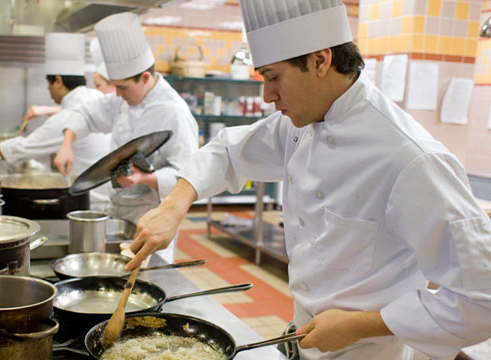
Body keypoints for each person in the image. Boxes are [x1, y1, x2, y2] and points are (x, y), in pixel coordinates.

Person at [124, 0, 491, 359]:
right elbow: (227, 151)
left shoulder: (412, 158)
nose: (268, 96)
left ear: (320, 60)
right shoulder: (300, 123)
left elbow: (482, 298)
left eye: (273, 78)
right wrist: (174, 204)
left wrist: (362, 325)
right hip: (306, 337)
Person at [54, 12, 198, 263]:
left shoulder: (174, 112)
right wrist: (67, 143)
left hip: (152, 216)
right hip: (119, 211)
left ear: (145, 78)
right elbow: (87, 113)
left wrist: (144, 178)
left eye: (122, 87)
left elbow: (188, 175)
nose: (117, 94)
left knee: (148, 282)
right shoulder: (126, 99)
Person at [0, 32, 110, 204]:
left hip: (90, 202)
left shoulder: (67, 117)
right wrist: (45, 110)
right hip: (103, 194)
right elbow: (76, 112)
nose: (49, 91)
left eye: (48, 84)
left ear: (58, 81)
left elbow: (25, 147)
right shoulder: (92, 97)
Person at [21, 37, 115, 124]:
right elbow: (81, 110)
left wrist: (46, 110)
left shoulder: (104, 101)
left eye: (98, 85)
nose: (95, 89)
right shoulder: (97, 101)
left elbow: (82, 111)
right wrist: (46, 110)